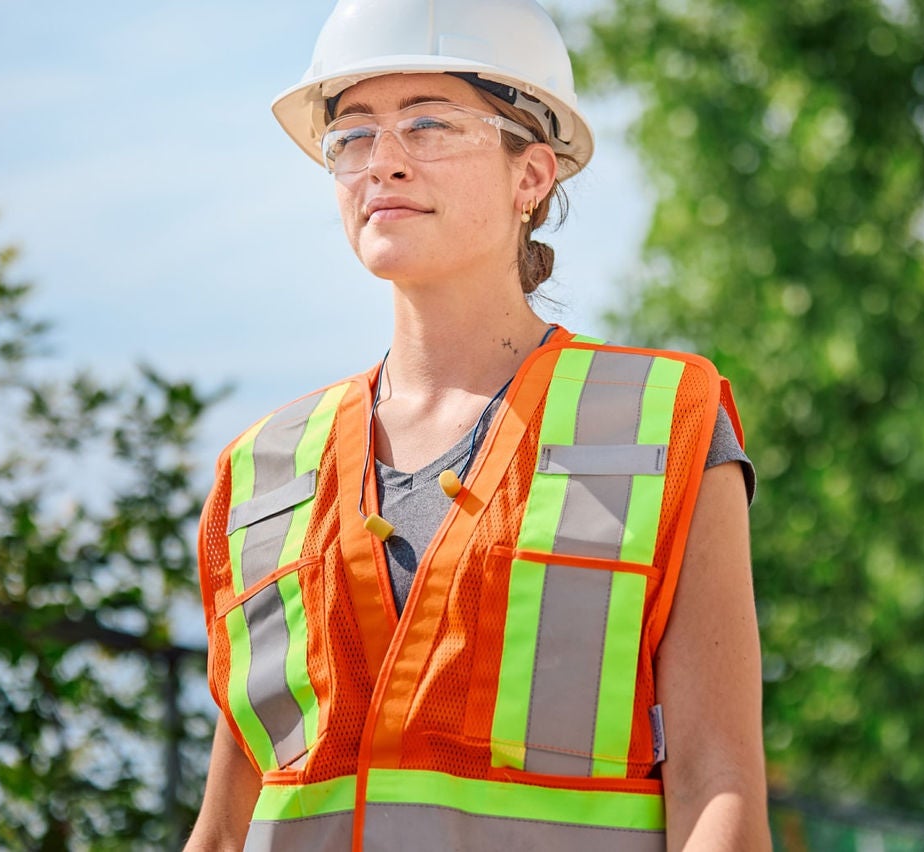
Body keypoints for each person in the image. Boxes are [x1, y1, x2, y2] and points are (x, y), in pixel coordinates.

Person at [184, 1, 767, 849]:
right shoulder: (266, 472)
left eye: (427, 125)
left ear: (531, 176)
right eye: (352, 136)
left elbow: (721, 789)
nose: (381, 162)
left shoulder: (662, 426)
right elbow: (226, 825)